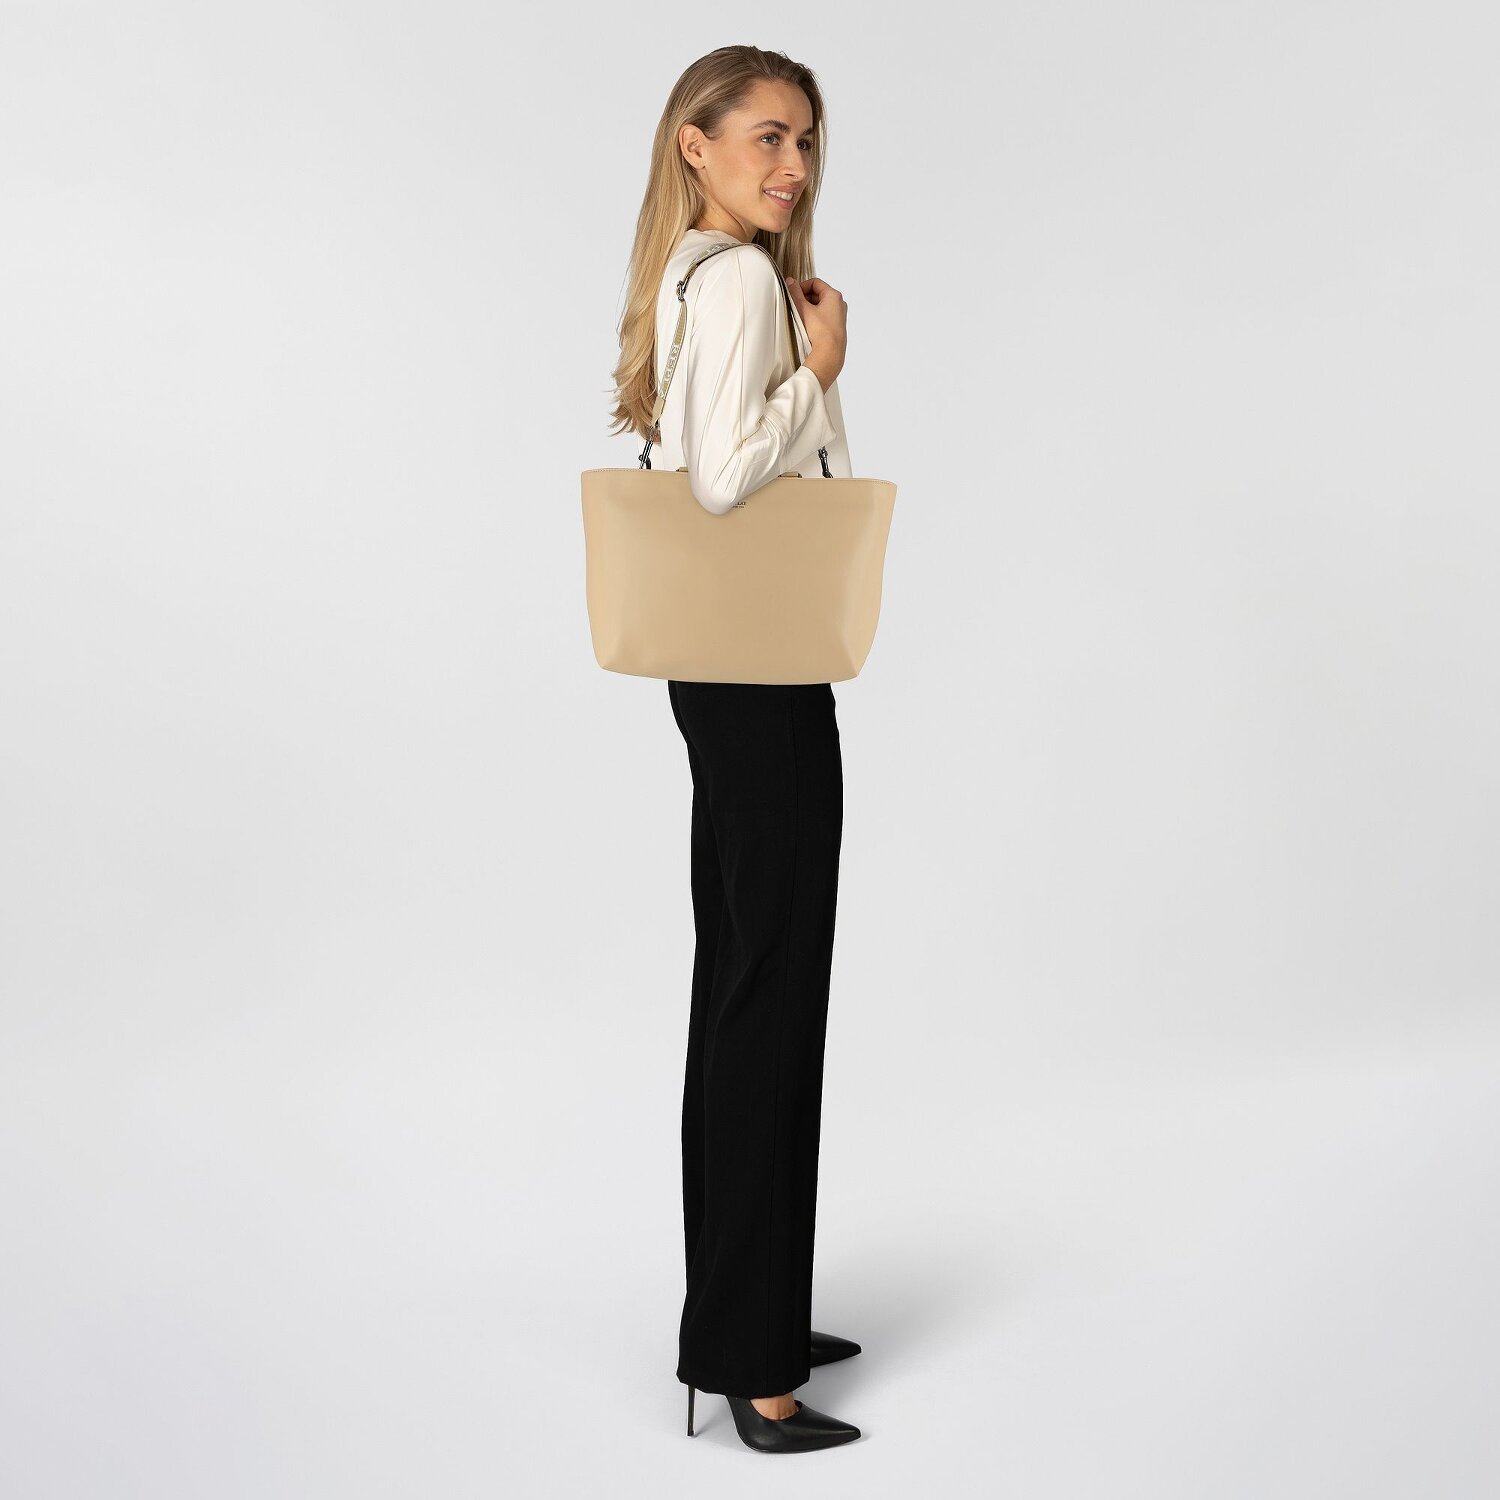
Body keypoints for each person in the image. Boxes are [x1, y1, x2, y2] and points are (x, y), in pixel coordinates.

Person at [606, 45, 866, 1455]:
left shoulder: (693, 275)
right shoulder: (742, 285)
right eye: (769, 137)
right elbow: (721, 480)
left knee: (745, 984)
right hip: (762, 680)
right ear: (694, 145)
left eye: (807, 142)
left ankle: (745, 1311)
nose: (795, 166)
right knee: (771, 995)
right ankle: (756, 1364)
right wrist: (817, 379)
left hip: (724, 674)